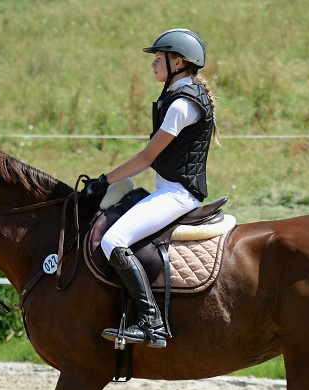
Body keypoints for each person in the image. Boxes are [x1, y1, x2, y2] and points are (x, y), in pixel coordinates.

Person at [86, 28, 219, 349]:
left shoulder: (182, 105)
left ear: (178, 62)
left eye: (159, 58)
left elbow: (146, 158)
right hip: (170, 189)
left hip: (178, 194)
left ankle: (151, 323)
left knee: (113, 240)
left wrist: (105, 180)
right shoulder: (178, 95)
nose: (153, 64)